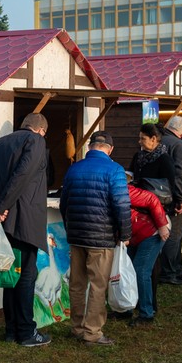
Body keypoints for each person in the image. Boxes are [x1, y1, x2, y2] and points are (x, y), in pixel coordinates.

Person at [0, 113, 51, 347]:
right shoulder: (36, 141)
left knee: (11, 274)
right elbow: (23, 174)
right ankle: (27, 332)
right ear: (41, 130)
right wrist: (3, 205)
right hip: (25, 220)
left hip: (4, 220)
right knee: (27, 276)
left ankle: (11, 330)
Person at [60, 131, 132, 346]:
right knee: (99, 285)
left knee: (77, 284)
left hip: (77, 235)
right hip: (102, 237)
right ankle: (92, 332)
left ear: (90, 147)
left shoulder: (74, 169)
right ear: (110, 149)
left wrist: (69, 227)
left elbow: (64, 204)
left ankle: (77, 326)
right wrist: (125, 234)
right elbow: (122, 206)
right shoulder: (115, 170)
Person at [128, 123, 179, 295]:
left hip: (156, 209)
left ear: (154, 139)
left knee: (151, 260)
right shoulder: (138, 157)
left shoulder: (164, 159)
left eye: (143, 138)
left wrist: (176, 202)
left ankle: (150, 298)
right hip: (138, 210)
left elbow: (171, 185)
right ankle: (137, 297)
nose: (140, 141)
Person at [127, 175, 170, 326]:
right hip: (134, 236)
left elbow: (152, 199)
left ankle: (147, 314)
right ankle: (127, 307)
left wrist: (162, 225)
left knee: (141, 270)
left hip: (151, 232)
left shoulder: (124, 191)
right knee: (128, 270)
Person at [157, 116, 182, 285]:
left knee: (163, 233)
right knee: (175, 235)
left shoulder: (158, 140)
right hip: (173, 197)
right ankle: (171, 272)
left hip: (157, 196)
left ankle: (174, 270)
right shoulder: (179, 145)